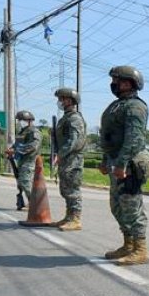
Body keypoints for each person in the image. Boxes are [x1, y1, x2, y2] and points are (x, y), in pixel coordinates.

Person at [100, 66, 149, 265]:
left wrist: (121, 164)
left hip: (129, 164)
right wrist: (106, 161)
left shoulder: (135, 107)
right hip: (116, 162)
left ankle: (141, 249)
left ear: (129, 83)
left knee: (131, 207)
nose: (114, 84)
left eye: (117, 80)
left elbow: (133, 139)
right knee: (117, 207)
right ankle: (128, 245)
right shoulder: (118, 105)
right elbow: (109, 137)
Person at [53, 87, 87, 232]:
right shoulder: (65, 118)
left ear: (72, 101)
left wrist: (60, 154)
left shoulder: (75, 118)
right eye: (60, 99)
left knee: (72, 188)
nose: (61, 101)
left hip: (73, 158)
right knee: (65, 188)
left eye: (64, 99)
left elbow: (73, 140)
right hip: (66, 158)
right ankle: (69, 216)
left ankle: (75, 219)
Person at [7, 111, 42, 210]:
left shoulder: (34, 132)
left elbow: (33, 146)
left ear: (30, 120)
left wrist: (16, 150)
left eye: (22, 120)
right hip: (21, 160)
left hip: (30, 160)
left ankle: (35, 204)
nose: (20, 122)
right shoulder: (22, 132)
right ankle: (30, 202)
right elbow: (17, 144)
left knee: (25, 181)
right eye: (19, 120)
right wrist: (11, 150)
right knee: (21, 183)